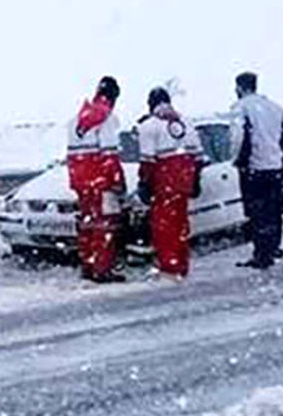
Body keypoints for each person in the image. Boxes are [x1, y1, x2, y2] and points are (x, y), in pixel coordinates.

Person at [136, 88, 203, 277]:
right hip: (184, 181)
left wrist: (144, 183)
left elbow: (148, 160)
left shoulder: (149, 126)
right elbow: (198, 156)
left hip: (164, 181)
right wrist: (195, 180)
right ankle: (182, 264)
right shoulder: (187, 123)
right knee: (181, 223)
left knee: (164, 226)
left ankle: (169, 265)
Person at [67, 76, 127, 283]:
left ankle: (88, 265)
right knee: (105, 226)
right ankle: (102, 269)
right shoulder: (107, 119)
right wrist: (117, 181)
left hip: (81, 182)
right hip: (101, 182)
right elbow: (109, 156)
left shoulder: (75, 119)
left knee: (87, 224)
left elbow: (73, 156)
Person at [230, 71, 283, 268]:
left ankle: (261, 255)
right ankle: (274, 247)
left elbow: (238, 138)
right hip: (275, 166)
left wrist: (236, 160)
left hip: (254, 168)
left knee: (257, 212)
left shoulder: (241, 108)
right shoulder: (276, 108)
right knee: (273, 210)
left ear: (240, 87)